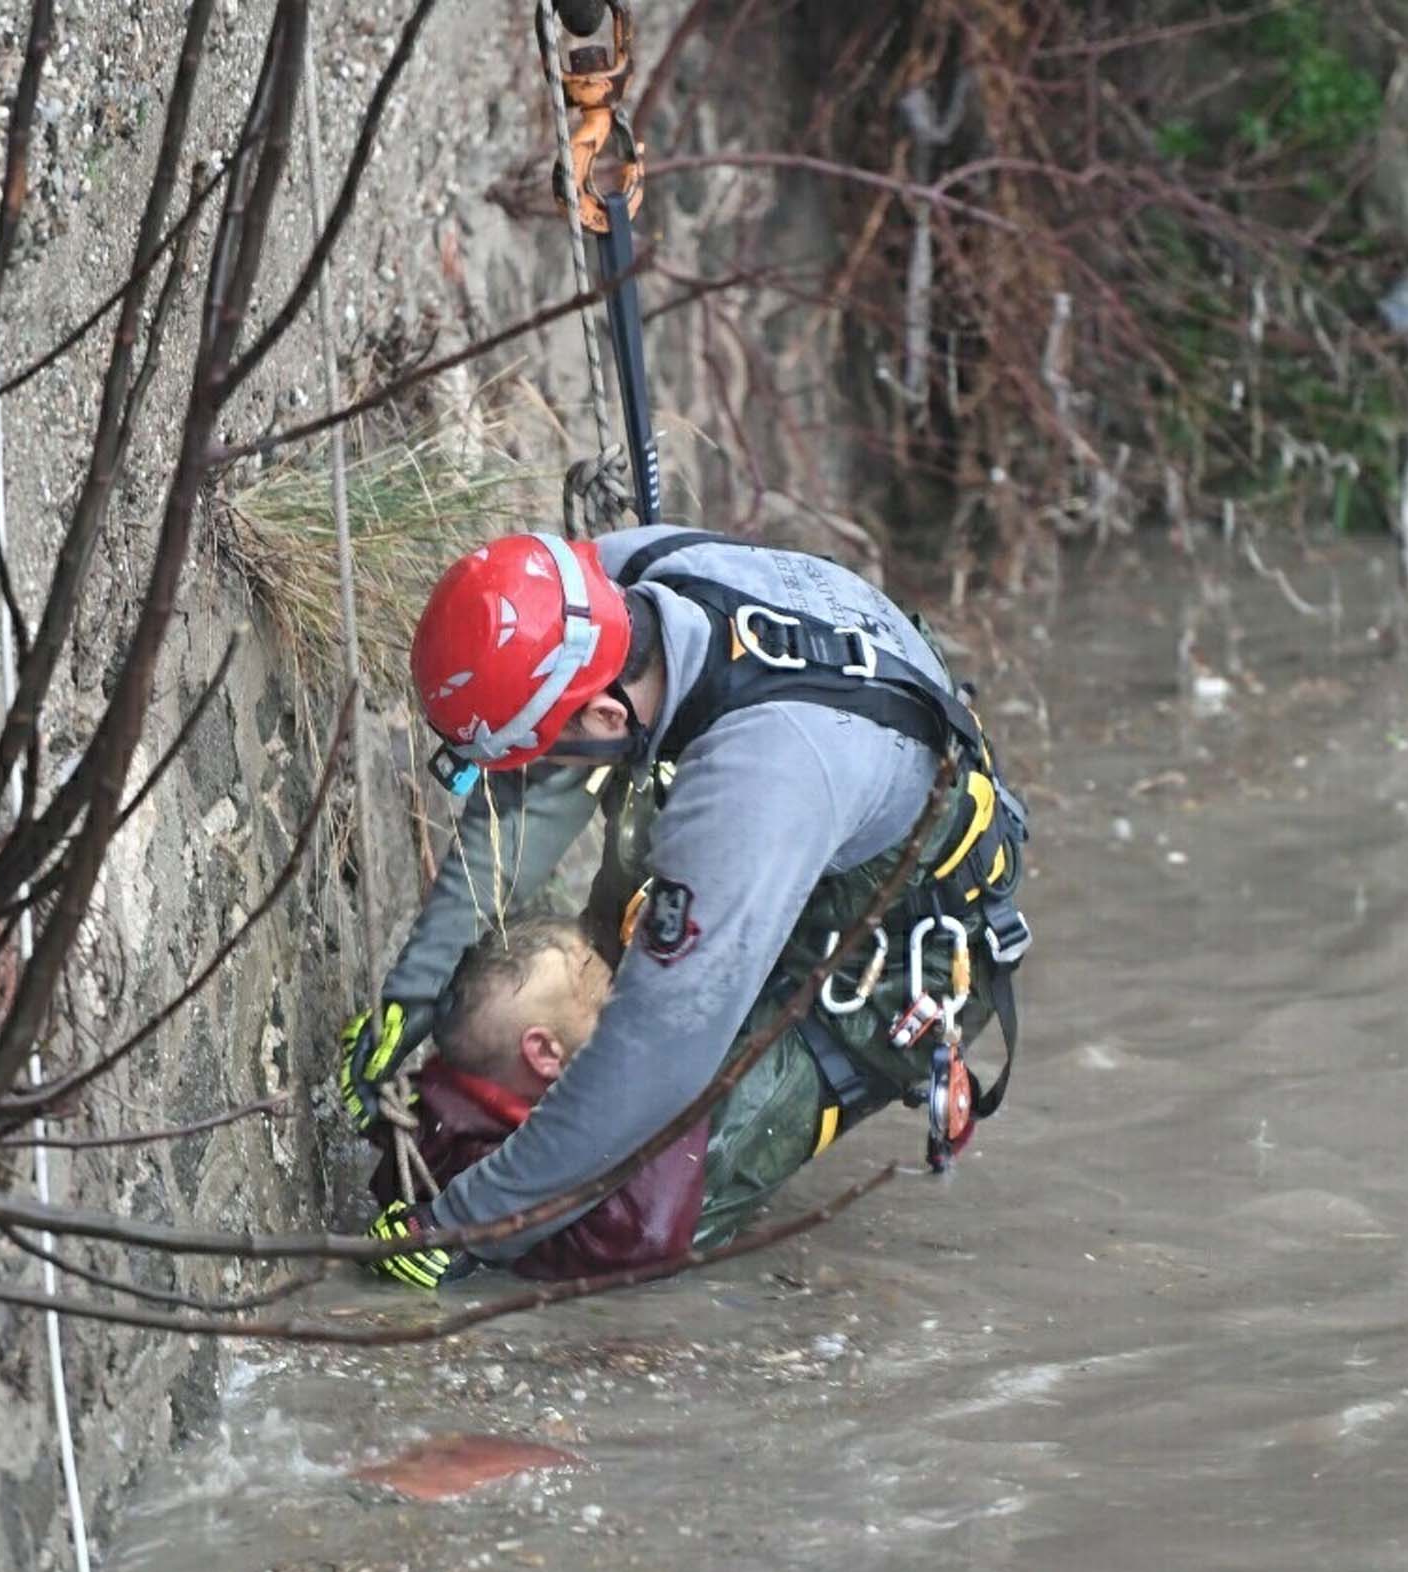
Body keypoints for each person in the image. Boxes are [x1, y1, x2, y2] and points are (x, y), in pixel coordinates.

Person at [344, 526, 1033, 1287]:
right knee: (620, 950)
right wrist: (416, 986)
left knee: (638, 1215)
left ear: (606, 716)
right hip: (826, 800)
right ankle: (525, 1133)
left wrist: (466, 1226)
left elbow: (655, 1055)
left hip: (892, 946)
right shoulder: (612, 584)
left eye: (547, 750)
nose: (538, 771)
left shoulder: (753, 786)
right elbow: (533, 789)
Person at [366, 915, 827, 1280]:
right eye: (603, 994)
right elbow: (651, 1235)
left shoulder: (440, 1110)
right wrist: (666, 1059)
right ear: (546, 1053)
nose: (625, 993)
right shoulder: (476, 1158)